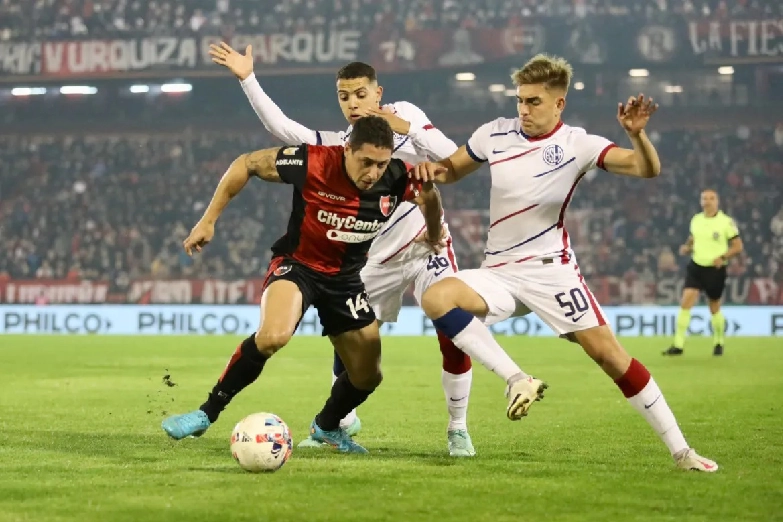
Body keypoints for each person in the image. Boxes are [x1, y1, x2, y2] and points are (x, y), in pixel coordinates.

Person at [411, 53, 718, 472]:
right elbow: (450, 171)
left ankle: (682, 452)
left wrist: (637, 136)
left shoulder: (577, 144)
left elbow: (647, 169)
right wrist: (426, 170)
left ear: (559, 103)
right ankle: (516, 379)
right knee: (437, 297)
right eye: (520, 100)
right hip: (498, 270)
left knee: (610, 357)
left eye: (534, 101)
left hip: (551, 271)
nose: (523, 109)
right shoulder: (494, 135)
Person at [208, 42, 476, 457]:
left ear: (378, 93)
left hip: (423, 245)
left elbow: (454, 159)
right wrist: (248, 78)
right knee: (354, 345)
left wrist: (406, 129)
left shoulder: (408, 116)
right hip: (366, 255)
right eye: (344, 96)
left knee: (451, 324)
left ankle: (457, 427)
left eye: (360, 94)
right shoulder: (337, 146)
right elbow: (282, 129)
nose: (353, 103)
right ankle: (337, 421)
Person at [161, 116, 444, 454]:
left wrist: (432, 231)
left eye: (381, 164)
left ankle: (326, 427)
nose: (374, 172)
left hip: (346, 281)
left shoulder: (396, 176)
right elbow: (246, 163)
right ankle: (206, 413)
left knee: (368, 376)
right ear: (346, 150)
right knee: (273, 336)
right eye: (366, 162)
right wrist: (208, 220)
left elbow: (429, 197)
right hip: (298, 266)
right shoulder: (313, 162)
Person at [664, 189, 743, 356]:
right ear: (701, 201)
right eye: (704, 198)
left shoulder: (726, 222)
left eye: (711, 198)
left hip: (715, 270)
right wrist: (687, 247)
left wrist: (723, 257)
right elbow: (693, 238)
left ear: (717, 201)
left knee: (714, 306)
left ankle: (719, 341)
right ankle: (678, 345)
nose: (707, 201)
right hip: (696, 266)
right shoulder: (696, 220)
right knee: (686, 301)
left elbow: (737, 246)